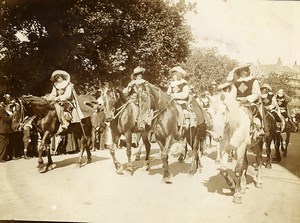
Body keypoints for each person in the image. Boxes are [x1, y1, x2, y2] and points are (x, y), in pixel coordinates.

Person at [226, 64, 265, 138]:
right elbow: (233, 94)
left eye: (245, 71)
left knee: (256, 112)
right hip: (238, 103)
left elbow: (257, 93)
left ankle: (259, 128)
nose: (243, 73)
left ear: (248, 71)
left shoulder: (253, 80)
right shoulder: (236, 83)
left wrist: (247, 98)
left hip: (249, 102)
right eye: (241, 71)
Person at [0, 97, 13, 163]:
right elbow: (6, 118)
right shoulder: (1, 109)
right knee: (3, 144)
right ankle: (1, 157)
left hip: (3, 129)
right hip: (3, 129)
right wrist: (11, 115)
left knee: (4, 143)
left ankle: (3, 156)